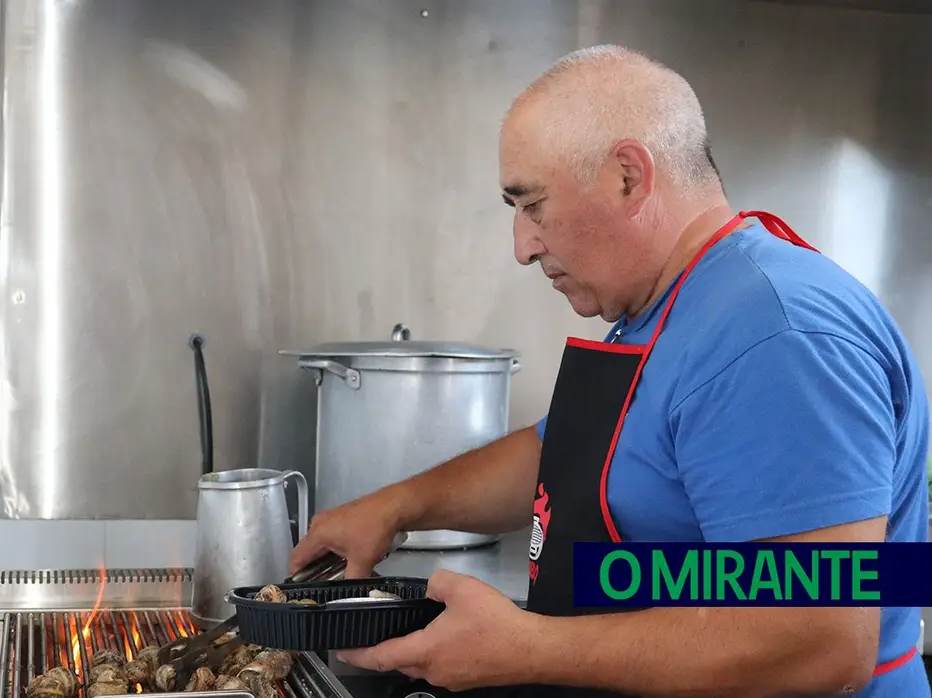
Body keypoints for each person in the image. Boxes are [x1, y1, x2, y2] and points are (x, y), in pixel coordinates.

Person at [289, 44, 931, 698]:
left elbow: (816, 644)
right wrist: (397, 508)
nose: (522, 246)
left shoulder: (773, 335)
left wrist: (527, 648)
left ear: (629, 176)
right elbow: (567, 454)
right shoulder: (674, 305)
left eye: (532, 204)